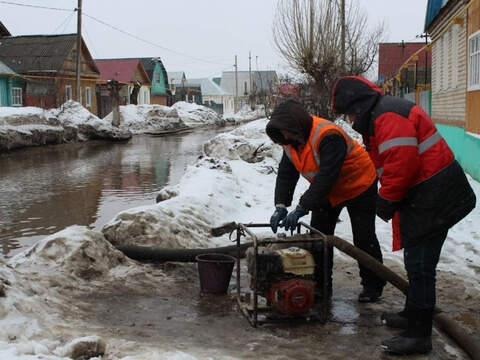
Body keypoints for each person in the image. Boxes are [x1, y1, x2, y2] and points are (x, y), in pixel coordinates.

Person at [331, 76, 476, 355]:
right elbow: (389, 162)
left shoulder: (387, 117)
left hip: (435, 195)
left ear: (359, 107)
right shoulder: (380, 115)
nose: (349, 120)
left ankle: (419, 335)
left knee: (421, 267)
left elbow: (402, 164)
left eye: (348, 114)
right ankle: (413, 315)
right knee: (415, 260)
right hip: (425, 195)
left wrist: (385, 201)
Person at [266, 99, 386, 303]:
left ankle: (373, 286)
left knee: (363, 237)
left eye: (285, 131)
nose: (283, 137)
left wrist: (303, 207)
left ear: (296, 126)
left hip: (359, 185)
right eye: (281, 134)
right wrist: (281, 206)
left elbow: (326, 177)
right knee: (319, 238)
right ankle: (321, 286)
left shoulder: (328, 135)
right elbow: (286, 175)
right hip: (328, 192)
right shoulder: (290, 142)